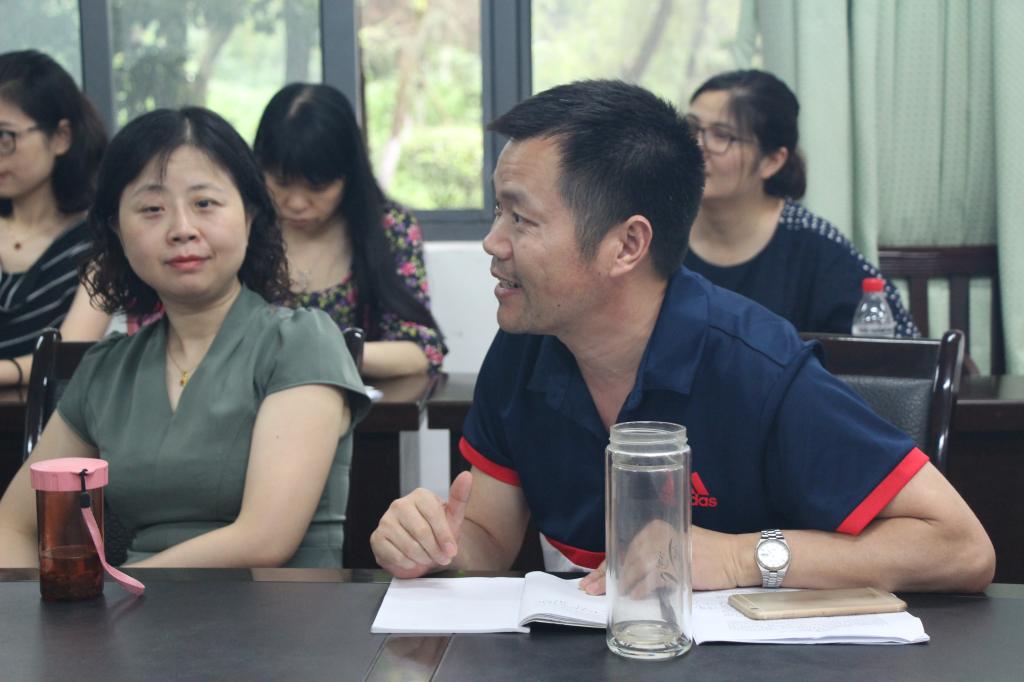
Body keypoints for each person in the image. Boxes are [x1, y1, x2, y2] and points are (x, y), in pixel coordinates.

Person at [370, 80, 995, 594]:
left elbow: (961, 547)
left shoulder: (757, 366)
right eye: (496, 211)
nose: (492, 242)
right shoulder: (526, 344)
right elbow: (487, 536)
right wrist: (434, 546)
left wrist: (739, 558)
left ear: (627, 245)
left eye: (521, 218)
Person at [0, 106, 370, 569]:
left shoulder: (299, 342)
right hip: (130, 611)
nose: (181, 229)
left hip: (276, 609)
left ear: (250, 215)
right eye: (152, 209)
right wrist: (38, 603)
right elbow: (13, 525)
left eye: (205, 203)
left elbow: (265, 539)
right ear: (117, 229)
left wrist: (108, 592)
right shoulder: (107, 370)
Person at [682, 69, 917, 336]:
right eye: (691, 128)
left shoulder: (816, 245)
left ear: (772, 161)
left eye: (722, 135)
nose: (696, 147)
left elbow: (902, 343)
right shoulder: (661, 229)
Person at [253, 83, 446, 377]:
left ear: (349, 174)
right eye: (281, 182)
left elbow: (421, 350)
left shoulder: (389, 228)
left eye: (317, 187)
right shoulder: (245, 227)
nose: (296, 203)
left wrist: (324, 350)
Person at [0, 50, 110, 385]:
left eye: (5, 137)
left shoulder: (99, 244)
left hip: (45, 415)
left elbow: (68, 358)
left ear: (61, 137)